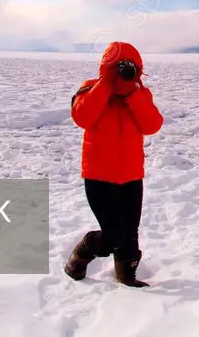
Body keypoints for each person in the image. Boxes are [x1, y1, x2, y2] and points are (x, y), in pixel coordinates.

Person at [63, 41, 164, 287]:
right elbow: (82, 117)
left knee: (130, 233)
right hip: (98, 177)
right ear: (106, 67)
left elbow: (152, 125)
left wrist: (132, 93)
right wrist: (106, 84)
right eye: (118, 67)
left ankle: (127, 277)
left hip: (131, 177)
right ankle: (84, 250)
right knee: (115, 234)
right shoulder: (90, 89)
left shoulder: (140, 93)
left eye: (130, 67)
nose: (124, 71)